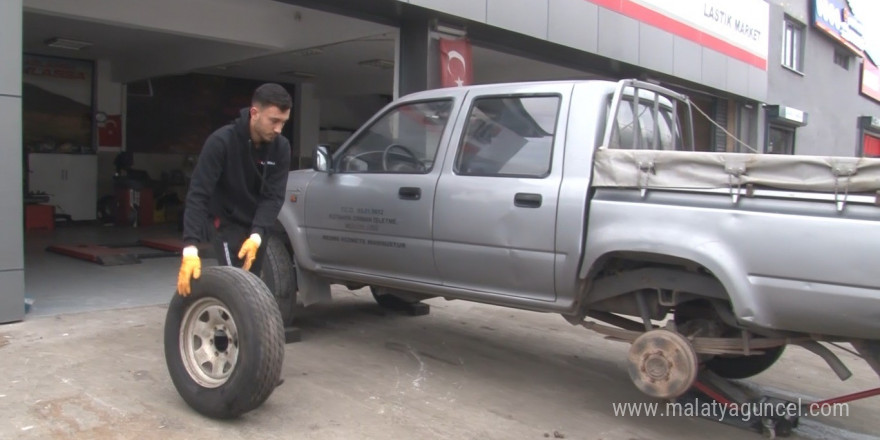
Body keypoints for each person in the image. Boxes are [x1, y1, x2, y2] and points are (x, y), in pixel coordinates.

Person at [177, 83, 292, 296]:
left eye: (283, 123)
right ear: (254, 113)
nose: (278, 129)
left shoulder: (281, 147)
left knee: (252, 285)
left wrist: (257, 234)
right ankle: (226, 326)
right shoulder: (221, 142)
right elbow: (198, 194)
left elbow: (273, 197)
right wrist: (190, 247)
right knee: (239, 287)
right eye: (274, 121)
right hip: (227, 222)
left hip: (257, 223)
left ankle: (245, 326)